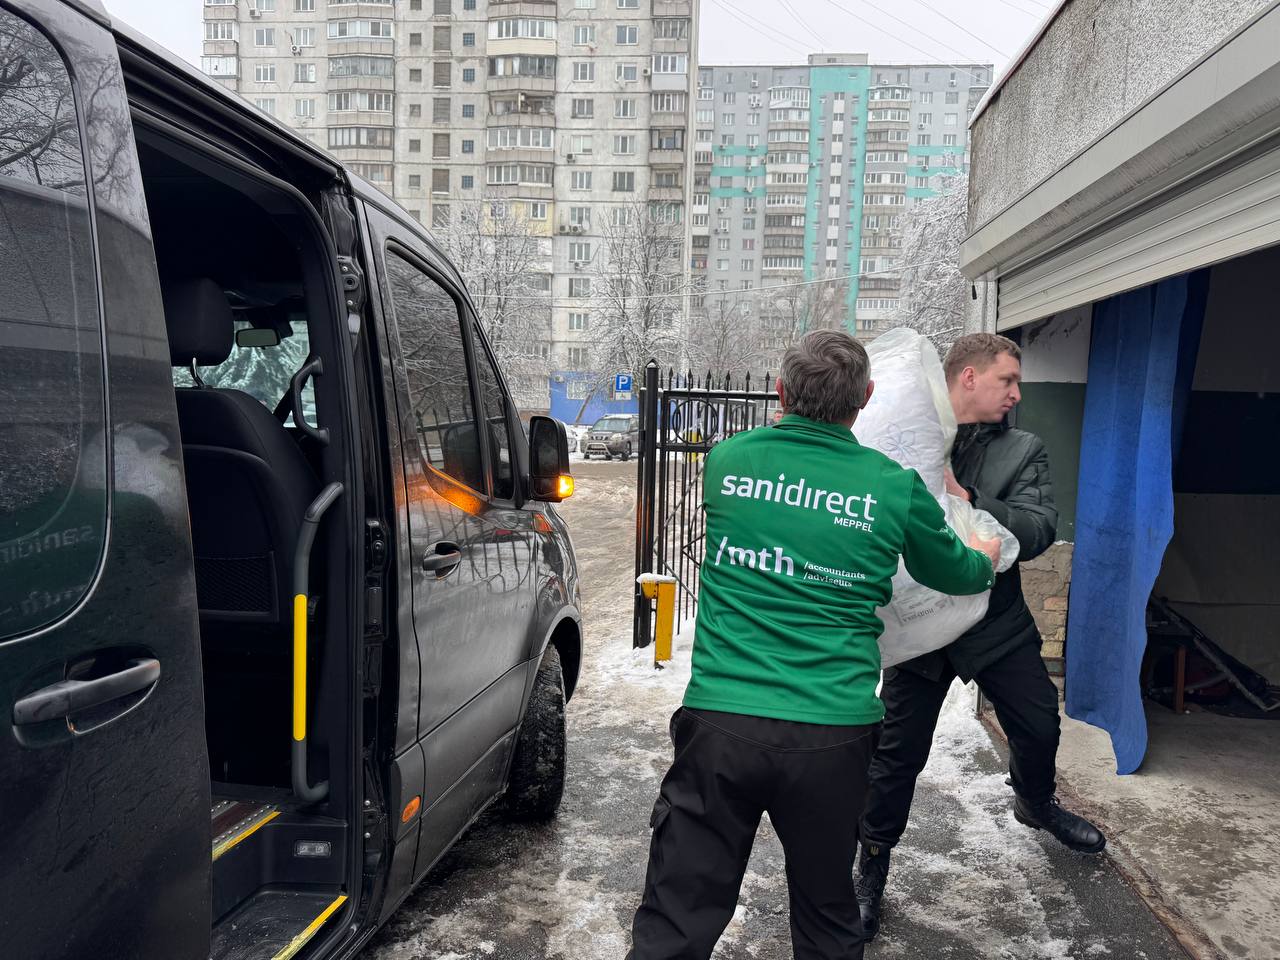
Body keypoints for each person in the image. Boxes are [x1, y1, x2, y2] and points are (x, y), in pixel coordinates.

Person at [627, 330, 1002, 960]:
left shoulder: (728, 461)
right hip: (833, 735)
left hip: (722, 724)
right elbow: (955, 574)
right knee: (828, 916)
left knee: (677, 916)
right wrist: (984, 556)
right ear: (866, 397)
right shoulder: (892, 485)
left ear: (780, 391)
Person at [854, 333, 1107, 943]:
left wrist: (970, 498)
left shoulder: (1022, 449)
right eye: (1007, 380)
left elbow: (1040, 527)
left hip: (995, 622)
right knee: (896, 757)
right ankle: (872, 866)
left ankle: (1034, 801)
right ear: (968, 377)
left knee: (1038, 723)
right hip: (923, 628)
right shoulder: (911, 429)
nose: (1016, 394)